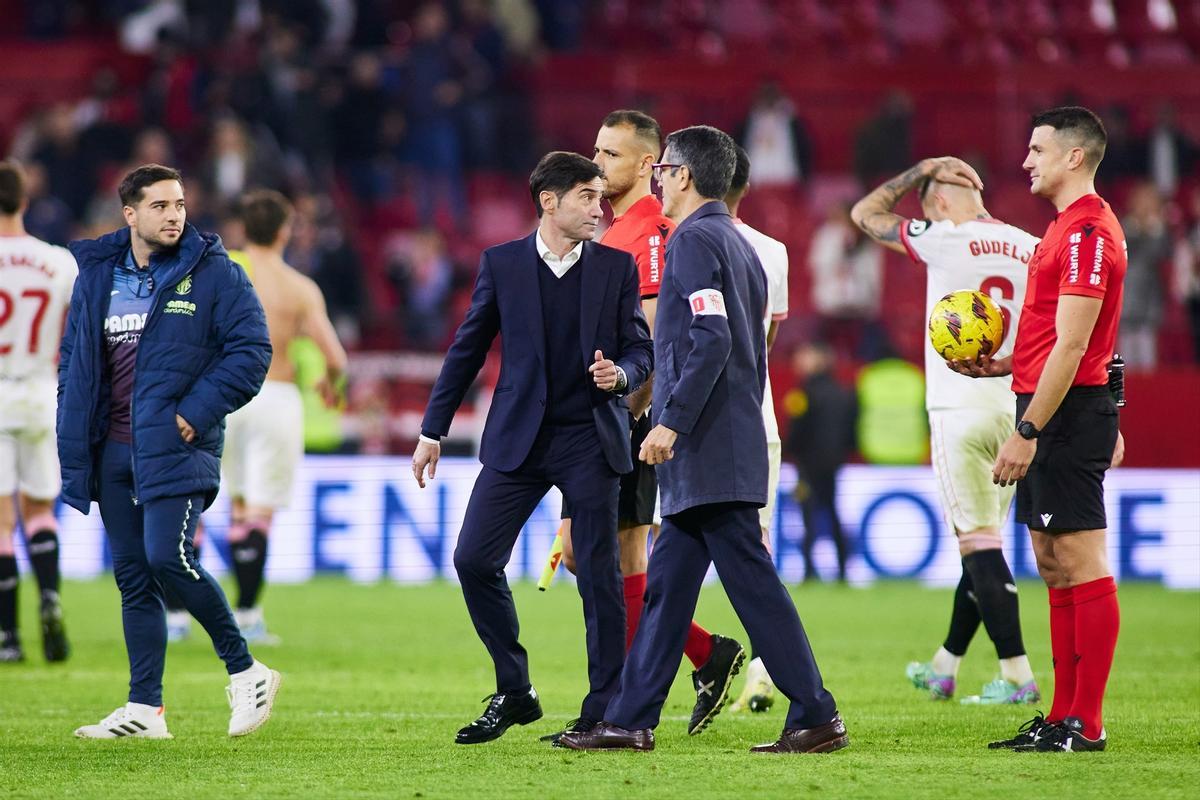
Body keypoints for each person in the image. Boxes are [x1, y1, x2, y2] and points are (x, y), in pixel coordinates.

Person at [560, 125, 848, 755]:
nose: (657, 179)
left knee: (753, 586)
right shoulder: (735, 242)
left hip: (710, 446)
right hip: (722, 443)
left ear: (683, 176)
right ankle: (632, 719)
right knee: (666, 590)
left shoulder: (692, 241)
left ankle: (817, 713)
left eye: (663, 169)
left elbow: (710, 339)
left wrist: (671, 422)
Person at [411, 151, 653, 745]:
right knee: (473, 560)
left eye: (600, 197)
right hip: (518, 438)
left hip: (590, 440)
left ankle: (604, 710)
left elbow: (642, 351)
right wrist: (432, 429)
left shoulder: (616, 268)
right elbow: (467, 349)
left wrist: (620, 376)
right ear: (549, 200)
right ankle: (516, 690)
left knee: (598, 575)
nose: (599, 207)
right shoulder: (503, 264)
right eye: (587, 196)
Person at [58, 164, 281, 739]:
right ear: (129, 214)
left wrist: (195, 412)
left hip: (176, 444)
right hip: (111, 446)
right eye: (159, 206)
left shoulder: (216, 274)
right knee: (134, 576)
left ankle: (246, 668)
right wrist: (77, 433)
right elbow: (77, 362)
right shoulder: (96, 276)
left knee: (166, 557)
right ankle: (144, 709)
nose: (174, 215)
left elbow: (253, 351)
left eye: (179, 204)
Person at [548, 110, 743, 742]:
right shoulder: (610, 232)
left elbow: (660, 337)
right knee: (588, 556)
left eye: (610, 155)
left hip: (630, 420)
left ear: (645, 165)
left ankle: (622, 704)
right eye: (596, 151)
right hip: (602, 420)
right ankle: (701, 653)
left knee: (619, 554)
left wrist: (633, 416)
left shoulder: (653, 235)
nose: (597, 164)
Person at [951, 107, 1127, 753]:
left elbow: (1079, 341)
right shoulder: (1065, 230)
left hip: (1064, 414)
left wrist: (1027, 429)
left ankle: (1088, 720)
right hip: (1060, 404)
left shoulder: (1085, 234)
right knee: (1054, 564)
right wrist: (1008, 365)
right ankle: (1061, 715)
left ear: (1073, 156)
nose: (1026, 160)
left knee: (1079, 560)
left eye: (1037, 148)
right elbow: (1090, 334)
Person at [851, 155, 1042, 705]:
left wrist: (917, 170)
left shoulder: (942, 236)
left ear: (935, 200)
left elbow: (865, 213)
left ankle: (1017, 676)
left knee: (978, 544)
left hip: (960, 408)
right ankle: (945, 665)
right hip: (1018, 410)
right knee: (981, 541)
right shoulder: (1031, 245)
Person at [213, 190, 347, 644]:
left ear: (243, 229)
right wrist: (332, 385)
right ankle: (247, 615)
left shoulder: (220, 272)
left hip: (225, 394)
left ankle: (175, 618)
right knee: (259, 513)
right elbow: (336, 358)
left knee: (228, 504)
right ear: (285, 231)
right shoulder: (299, 288)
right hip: (276, 395)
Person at [721, 145, 790, 714]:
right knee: (755, 551)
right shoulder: (774, 252)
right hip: (756, 421)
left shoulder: (676, 244)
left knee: (653, 554)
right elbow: (762, 349)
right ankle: (765, 670)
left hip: (687, 426)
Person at [0, 160, 76, 664]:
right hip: (43, 392)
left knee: (2, 522)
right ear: (25, 200)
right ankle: (50, 597)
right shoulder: (59, 262)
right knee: (41, 511)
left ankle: (8, 637)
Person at [786, 341, 855, 584]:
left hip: (808, 466)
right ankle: (843, 570)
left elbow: (797, 432)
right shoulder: (844, 391)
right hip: (834, 464)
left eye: (805, 356)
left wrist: (788, 452)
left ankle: (809, 571)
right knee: (833, 513)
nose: (799, 361)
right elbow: (851, 432)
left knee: (808, 516)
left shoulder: (804, 394)